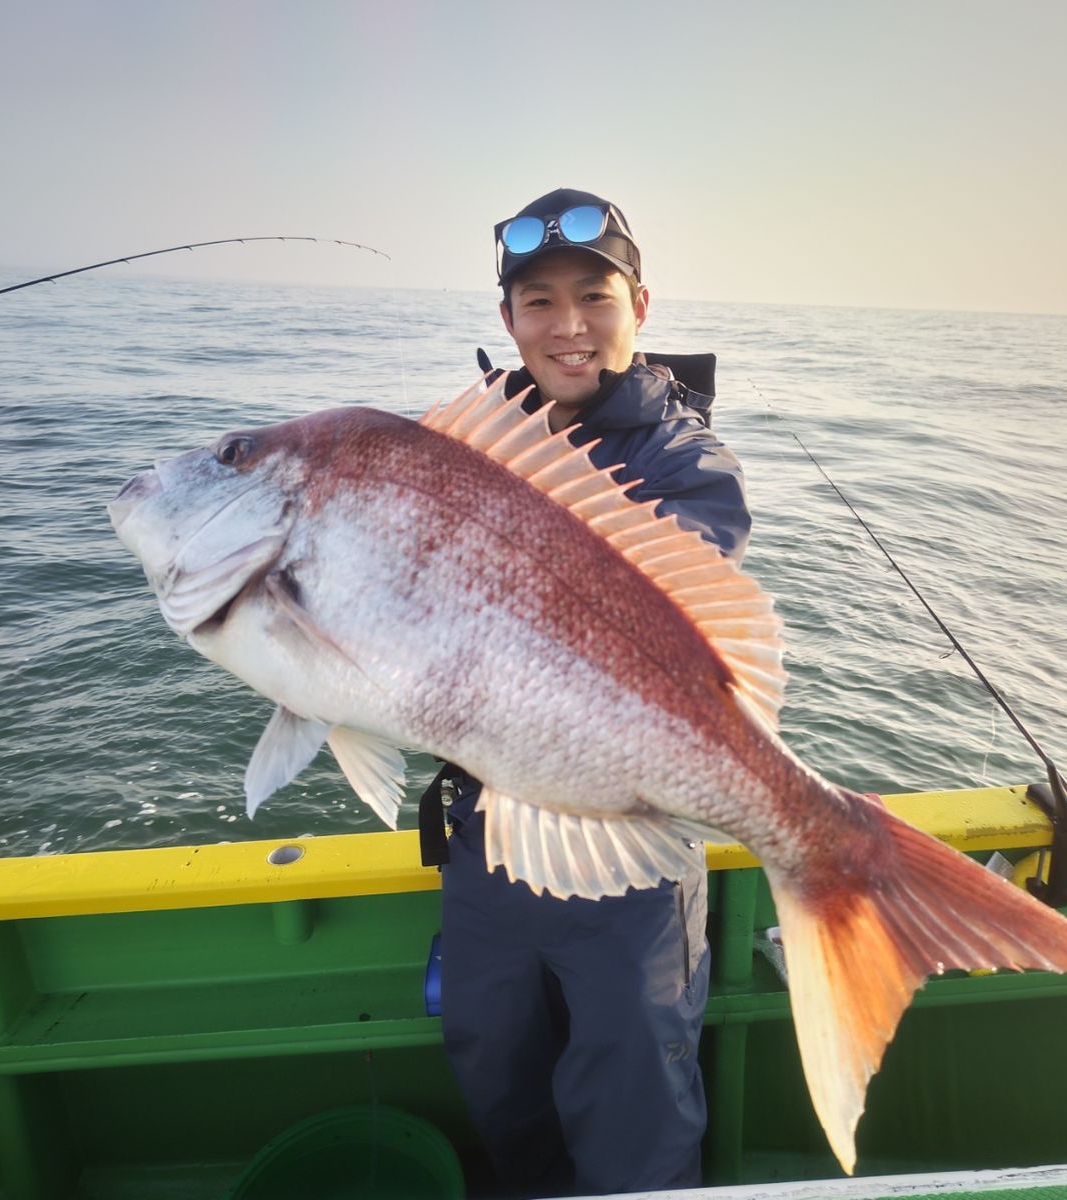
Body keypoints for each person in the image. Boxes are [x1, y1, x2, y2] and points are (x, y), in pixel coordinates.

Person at [434, 188, 751, 1198]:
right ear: (508, 322)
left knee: (634, 1097)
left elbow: (676, 593)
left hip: (629, 846)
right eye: (538, 302)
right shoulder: (459, 448)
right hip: (490, 833)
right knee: (496, 1067)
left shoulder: (684, 460)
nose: (567, 325)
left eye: (594, 298)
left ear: (641, 306)